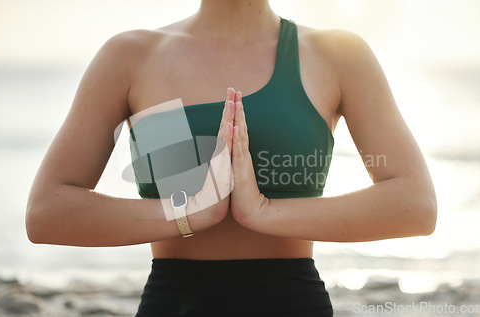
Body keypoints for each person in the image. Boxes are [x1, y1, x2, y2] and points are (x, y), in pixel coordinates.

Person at [26, 1, 437, 316]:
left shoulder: (338, 54)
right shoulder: (132, 56)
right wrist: (189, 213)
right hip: (174, 301)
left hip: (294, 301)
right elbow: (48, 211)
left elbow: (415, 205)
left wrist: (264, 212)